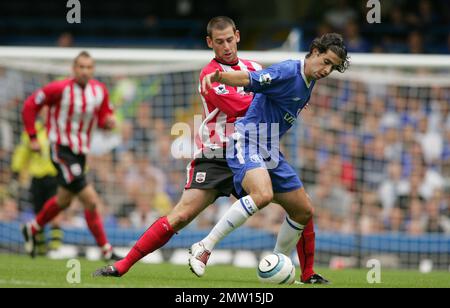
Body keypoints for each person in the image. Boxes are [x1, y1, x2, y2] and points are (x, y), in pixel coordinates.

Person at [93, 16, 329, 284]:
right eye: (219, 42)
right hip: (217, 155)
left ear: (237, 36)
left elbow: (271, 95)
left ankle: (307, 273)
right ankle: (123, 265)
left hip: (257, 148)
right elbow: (243, 108)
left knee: (302, 208)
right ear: (210, 43)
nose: (226, 46)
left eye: (229, 39)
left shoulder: (254, 68)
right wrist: (281, 99)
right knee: (181, 215)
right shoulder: (210, 75)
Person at [188, 32, 349, 281]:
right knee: (262, 195)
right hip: (247, 140)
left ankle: (282, 265)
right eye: (326, 62)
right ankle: (204, 247)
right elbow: (249, 79)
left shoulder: (310, 79)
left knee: (303, 210)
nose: (327, 70)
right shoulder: (288, 71)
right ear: (315, 52)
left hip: (270, 149)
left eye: (334, 67)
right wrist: (221, 76)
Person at [20, 51, 120, 261]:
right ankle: (106, 249)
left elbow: (103, 119)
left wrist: (108, 123)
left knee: (64, 200)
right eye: (81, 67)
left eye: (88, 67)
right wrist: (33, 137)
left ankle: (33, 227)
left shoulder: (99, 91)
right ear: (74, 69)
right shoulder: (59, 89)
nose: (85, 71)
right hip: (61, 149)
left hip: (81, 152)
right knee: (91, 200)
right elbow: (30, 105)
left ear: (93, 70)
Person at [11, 111, 63, 256]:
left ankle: (55, 248)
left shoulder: (59, 131)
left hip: (54, 176)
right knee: (39, 213)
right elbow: (22, 150)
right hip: (36, 177)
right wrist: (16, 168)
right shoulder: (33, 131)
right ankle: (41, 249)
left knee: (55, 210)